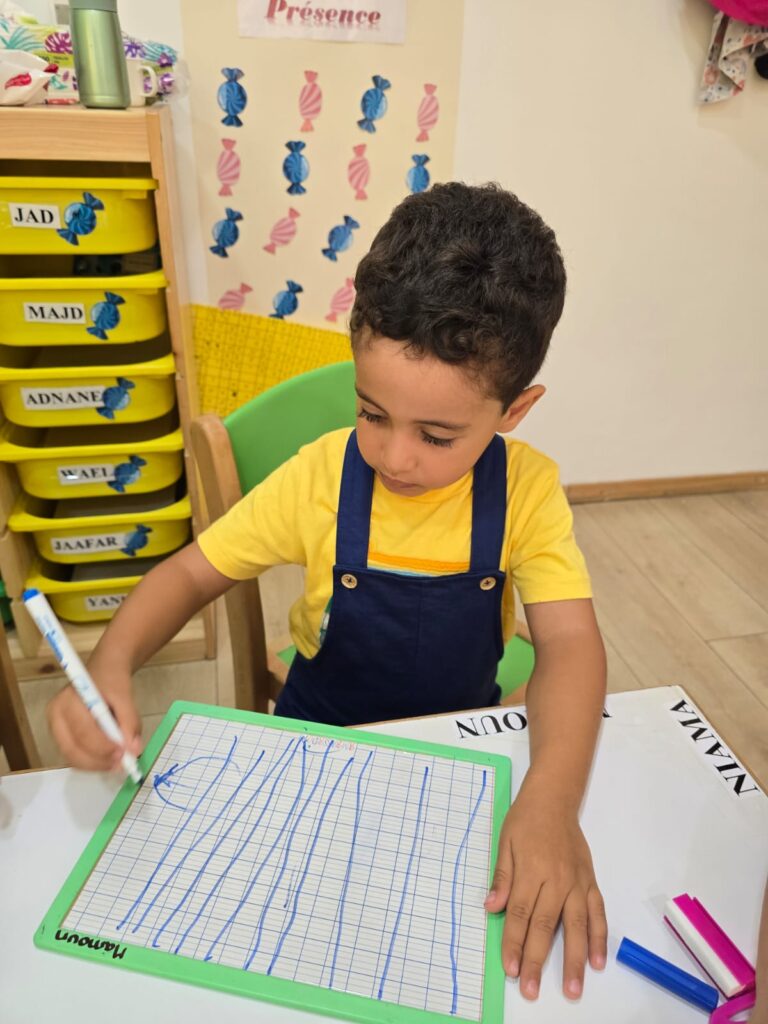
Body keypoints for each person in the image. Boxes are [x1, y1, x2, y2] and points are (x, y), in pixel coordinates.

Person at [48, 182, 608, 1001]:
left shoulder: (525, 491)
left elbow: (569, 642)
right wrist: (112, 661)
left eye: (437, 435)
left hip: (449, 750)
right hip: (313, 738)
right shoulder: (320, 476)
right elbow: (190, 573)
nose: (394, 457)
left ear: (515, 409)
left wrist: (552, 800)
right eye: (371, 413)